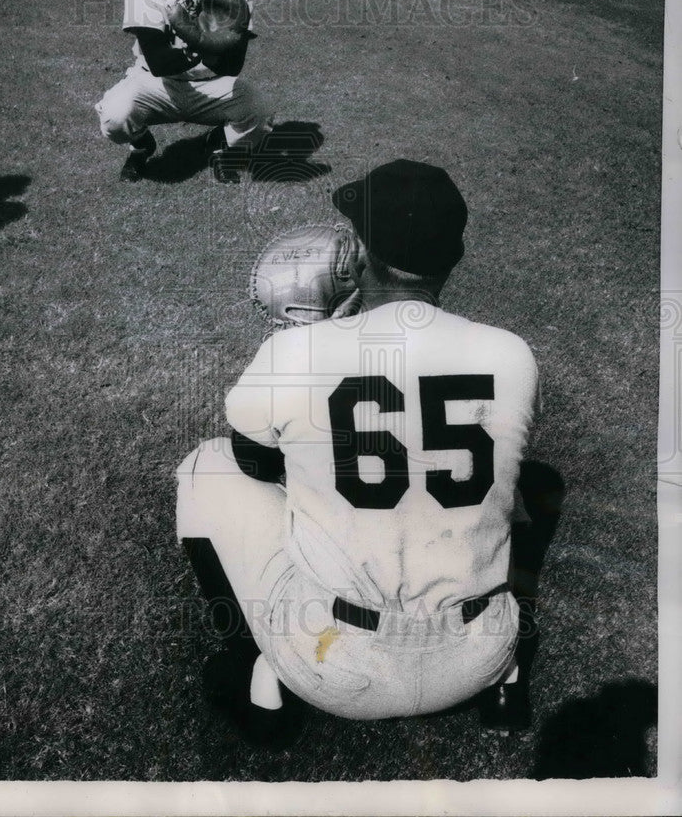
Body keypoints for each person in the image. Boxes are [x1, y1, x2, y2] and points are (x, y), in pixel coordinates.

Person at [176, 159, 540, 742]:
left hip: (337, 663)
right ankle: (508, 684)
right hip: (481, 654)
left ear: (360, 254)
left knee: (206, 467)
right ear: (455, 256)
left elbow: (255, 462)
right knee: (502, 478)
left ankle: (254, 665)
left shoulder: (297, 353)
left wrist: (302, 346)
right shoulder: (513, 354)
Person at [95, 0, 272, 184]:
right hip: (157, 83)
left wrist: (192, 33)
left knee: (259, 112)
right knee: (115, 116)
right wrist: (206, 39)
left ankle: (222, 146)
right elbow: (158, 61)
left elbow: (232, 66)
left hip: (213, 83)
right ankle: (142, 145)